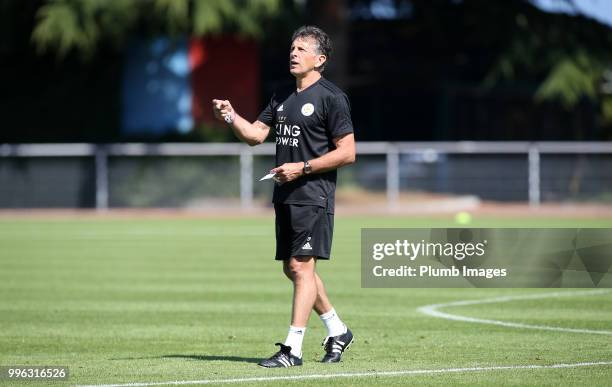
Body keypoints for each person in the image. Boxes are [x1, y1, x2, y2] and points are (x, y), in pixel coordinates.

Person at [212, 25, 356, 368]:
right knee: (294, 270)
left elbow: (348, 152)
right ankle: (338, 330)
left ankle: (293, 349)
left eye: (302, 49)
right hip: (285, 195)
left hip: (313, 194)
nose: (293, 53)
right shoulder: (281, 96)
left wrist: (303, 168)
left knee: (300, 267)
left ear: (319, 59)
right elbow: (255, 135)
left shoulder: (331, 97)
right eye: (292, 47)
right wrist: (231, 116)